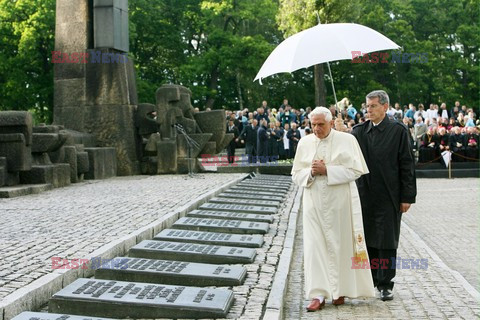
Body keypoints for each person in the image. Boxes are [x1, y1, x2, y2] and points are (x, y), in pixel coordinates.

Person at [292, 106, 375, 312]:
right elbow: (296, 174)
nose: (317, 129)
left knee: (341, 245)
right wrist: (311, 172)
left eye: (321, 124)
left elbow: (357, 170)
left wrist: (327, 170)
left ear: (330, 123)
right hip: (314, 202)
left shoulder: (347, 140)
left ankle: (339, 290)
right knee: (314, 248)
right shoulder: (304, 142)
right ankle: (318, 294)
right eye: (313, 125)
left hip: (340, 202)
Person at [352, 90, 417, 301]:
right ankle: (369, 280)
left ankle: (386, 283)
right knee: (368, 239)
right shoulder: (358, 131)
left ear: (385, 107)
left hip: (390, 195)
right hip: (365, 195)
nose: (368, 110)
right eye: (367, 106)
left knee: (387, 241)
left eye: (373, 106)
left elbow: (407, 165)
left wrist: (407, 197)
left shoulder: (398, 131)